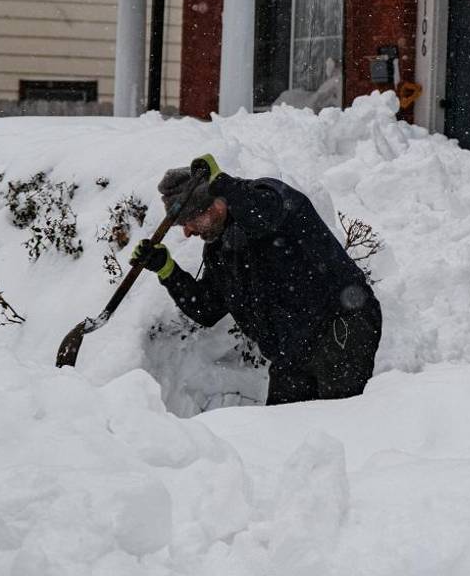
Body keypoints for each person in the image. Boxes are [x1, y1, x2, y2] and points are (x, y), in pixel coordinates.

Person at [132, 154, 381, 405]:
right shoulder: (220, 249)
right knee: (281, 431)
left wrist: (223, 185)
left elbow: (262, 217)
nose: (188, 231)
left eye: (189, 221)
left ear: (214, 205)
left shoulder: (267, 197)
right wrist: (167, 271)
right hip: (292, 351)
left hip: (340, 324)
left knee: (338, 422)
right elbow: (207, 308)